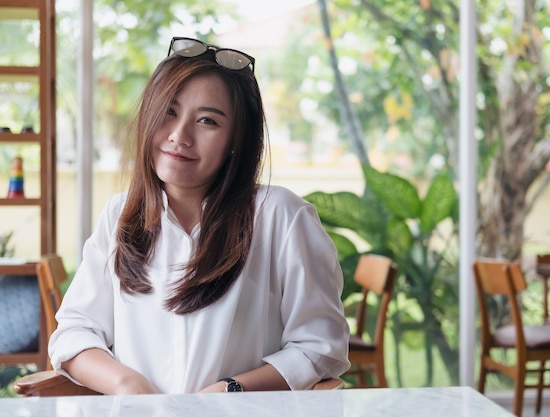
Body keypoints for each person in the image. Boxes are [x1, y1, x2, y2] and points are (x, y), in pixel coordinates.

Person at [48, 37, 350, 394]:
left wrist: (229, 391)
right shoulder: (120, 214)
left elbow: (320, 348)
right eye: (169, 112)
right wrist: (127, 384)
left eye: (207, 121)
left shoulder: (281, 217)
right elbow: (74, 332)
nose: (179, 136)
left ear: (237, 139)